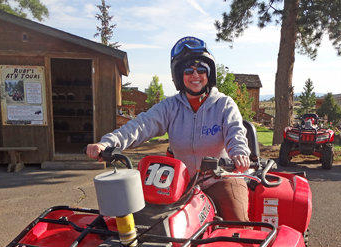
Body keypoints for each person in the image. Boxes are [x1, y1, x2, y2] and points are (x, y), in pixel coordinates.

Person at [86, 36, 251, 221]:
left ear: (209, 73)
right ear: (179, 75)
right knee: (151, 225)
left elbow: (236, 133)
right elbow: (140, 126)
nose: (195, 75)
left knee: (238, 226)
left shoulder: (224, 104)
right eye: (188, 70)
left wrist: (238, 154)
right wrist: (107, 143)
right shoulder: (170, 107)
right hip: (178, 182)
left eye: (201, 69)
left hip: (221, 178)